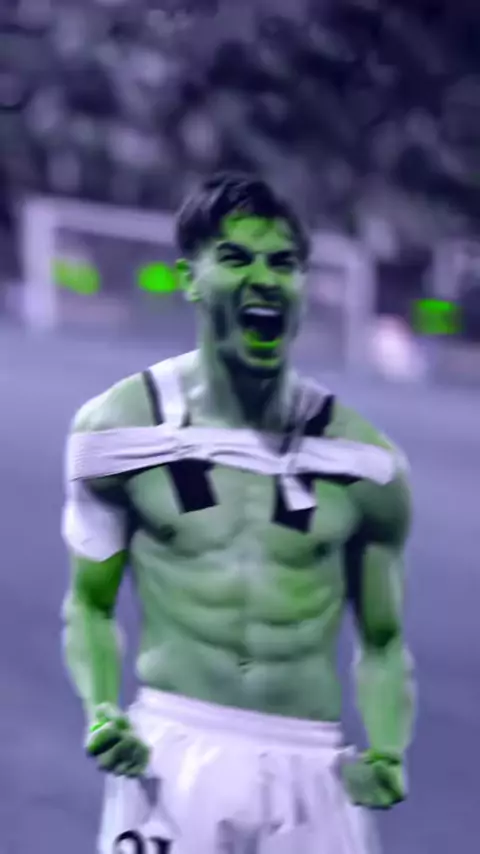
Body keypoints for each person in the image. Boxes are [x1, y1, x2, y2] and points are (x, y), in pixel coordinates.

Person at [61, 172, 416, 854]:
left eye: (283, 263)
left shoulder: (369, 464)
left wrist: (389, 747)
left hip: (313, 770)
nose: (264, 278)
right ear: (189, 279)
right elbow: (89, 605)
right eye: (235, 258)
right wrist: (102, 709)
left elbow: (384, 641)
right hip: (173, 753)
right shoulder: (114, 434)